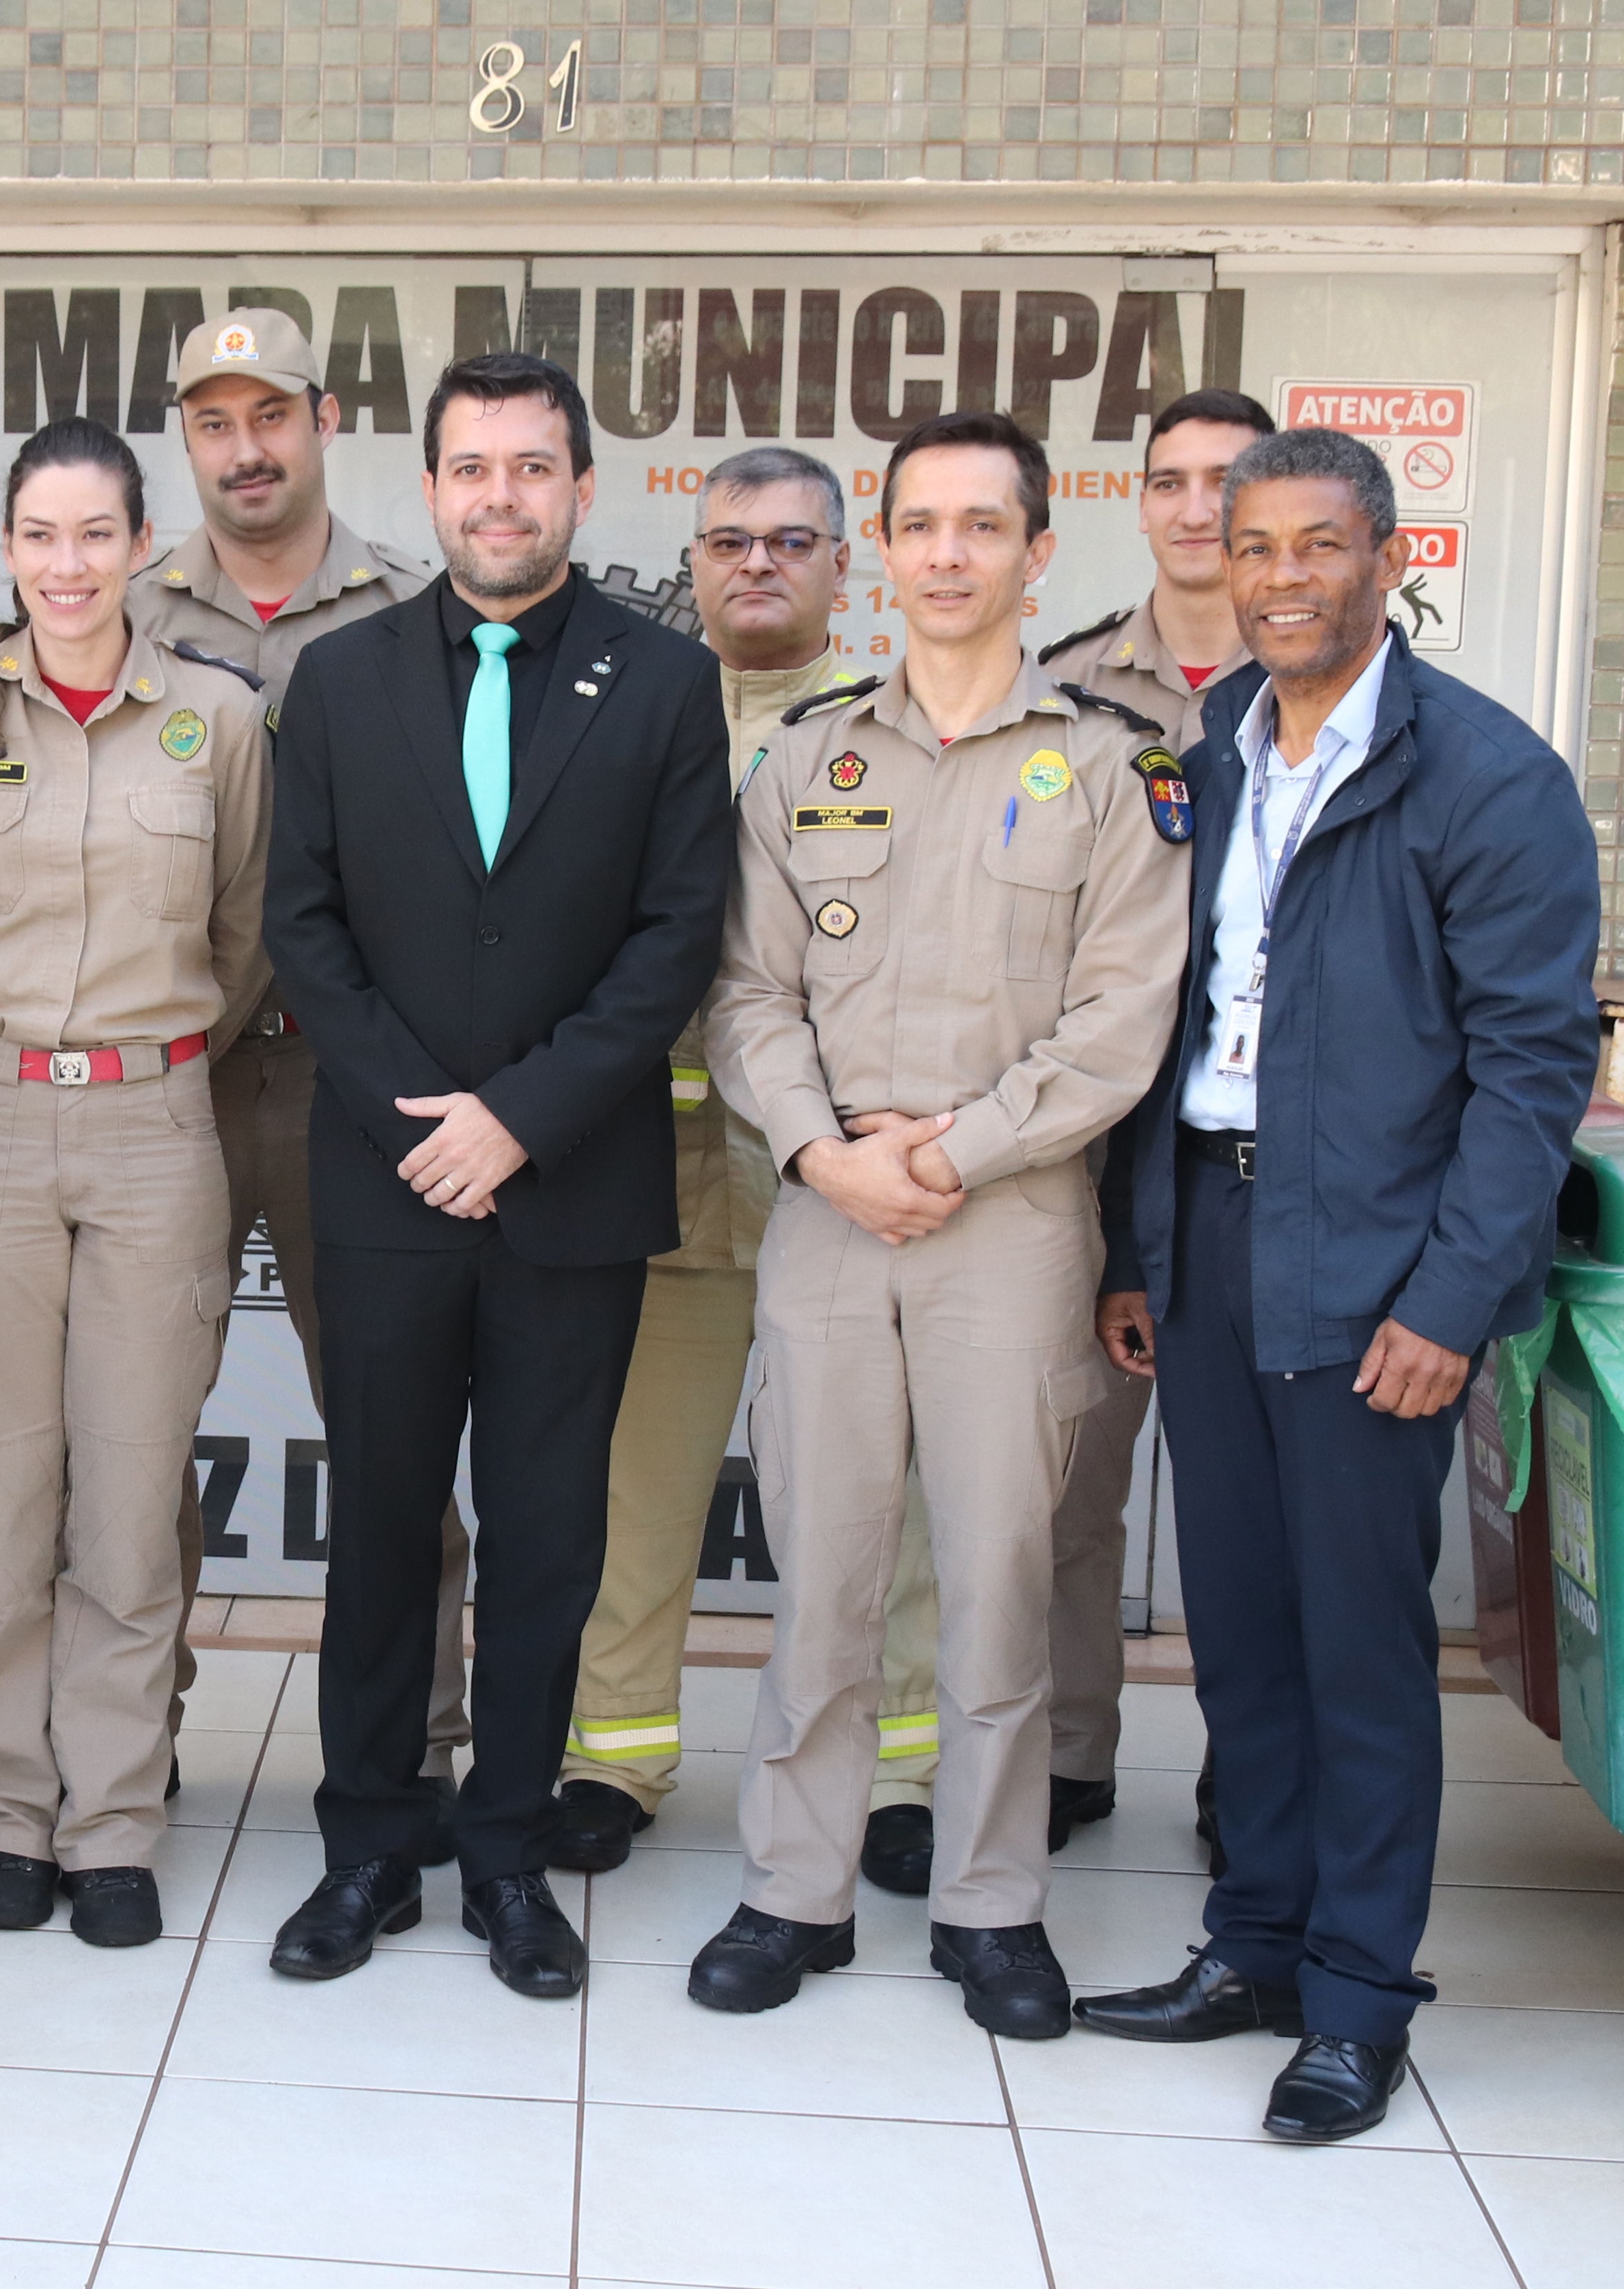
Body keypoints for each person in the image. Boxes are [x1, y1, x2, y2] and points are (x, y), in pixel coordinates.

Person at [1075, 428, 1597, 2141]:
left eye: (1319, 545)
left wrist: (1453, 1300)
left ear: (1386, 558)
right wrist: (1142, 1250)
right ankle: (1260, 1948)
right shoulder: (1210, 747)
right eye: (1255, 547)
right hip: (1214, 1241)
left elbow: (1533, 1069)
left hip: (1381, 1265)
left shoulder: (1486, 776)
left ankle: (1362, 2000)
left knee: (1364, 1647)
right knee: (1241, 1628)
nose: (1283, 576)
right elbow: (1169, 1021)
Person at [697, 408, 1189, 2039]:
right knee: (823, 1573)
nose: (952, 553)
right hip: (832, 1215)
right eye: (923, 525)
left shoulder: (1116, 769)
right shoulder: (810, 757)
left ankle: (990, 1904)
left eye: (988, 525)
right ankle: (796, 1888)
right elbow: (747, 992)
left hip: (1015, 1222)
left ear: (1042, 550)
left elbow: (1126, 1019)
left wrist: (958, 1151)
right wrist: (826, 1154)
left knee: (993, 1580)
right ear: (885, 554)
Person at [262, 353, 732, 1999]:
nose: (501, 496)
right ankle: (369, 1843)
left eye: (533, 467)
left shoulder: (665, 686)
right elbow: (301, 927)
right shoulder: (337, 680)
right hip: (386, 1186)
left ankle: (510, 1851)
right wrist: (421, 1121)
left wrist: (519, 1116)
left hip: (570, 1185)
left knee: (545, 1536)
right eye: (471, 468)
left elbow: (678, 935)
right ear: (432, 487)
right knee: (385, 1528)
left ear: (583, 490)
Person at [868, 386, 1283, 1890]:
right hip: (1079, 1152)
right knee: (1060, 1493)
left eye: (1224, 482)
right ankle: (1066, 1756)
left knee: (1254, 1506)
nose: (1194, 508)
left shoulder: (1312, 672)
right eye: (1168, 481)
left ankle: (1255, 1782)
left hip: (1250, 1146)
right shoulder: (1062, 687)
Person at [0, 417, 272, 1948]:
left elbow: (242, 942)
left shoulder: (217, 722)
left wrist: (138, 1056)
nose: (65, 565)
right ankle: (10, 1807)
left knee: (124, 1492)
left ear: (138, 546)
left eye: (94, 535)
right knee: (4, 1485)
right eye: (38, 535)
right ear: (6, 547)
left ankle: (111, 1816)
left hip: (154, 1129)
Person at [544, 445, 954, 1879]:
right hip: (652, 1165)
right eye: (729, 542)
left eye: (792, 541)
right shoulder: (618, 715)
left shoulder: (899, 729)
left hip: (833, 1171)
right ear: (692, 563)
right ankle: (616, 1753)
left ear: (849, 569)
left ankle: (899, 1772)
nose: (759, 564)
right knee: (633, 1480)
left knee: (875, 1496)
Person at [124, 308, 453, 1823]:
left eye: (270, 416)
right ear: (185, 438)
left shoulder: (415, 606)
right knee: (133, 1433)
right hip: (170, 1082)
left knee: (392, 1426)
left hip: (350, 1079)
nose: (243, 449)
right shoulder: (121, 610)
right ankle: (133, 1737)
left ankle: (423, 1743)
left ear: (324, 418)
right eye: (212, 421)